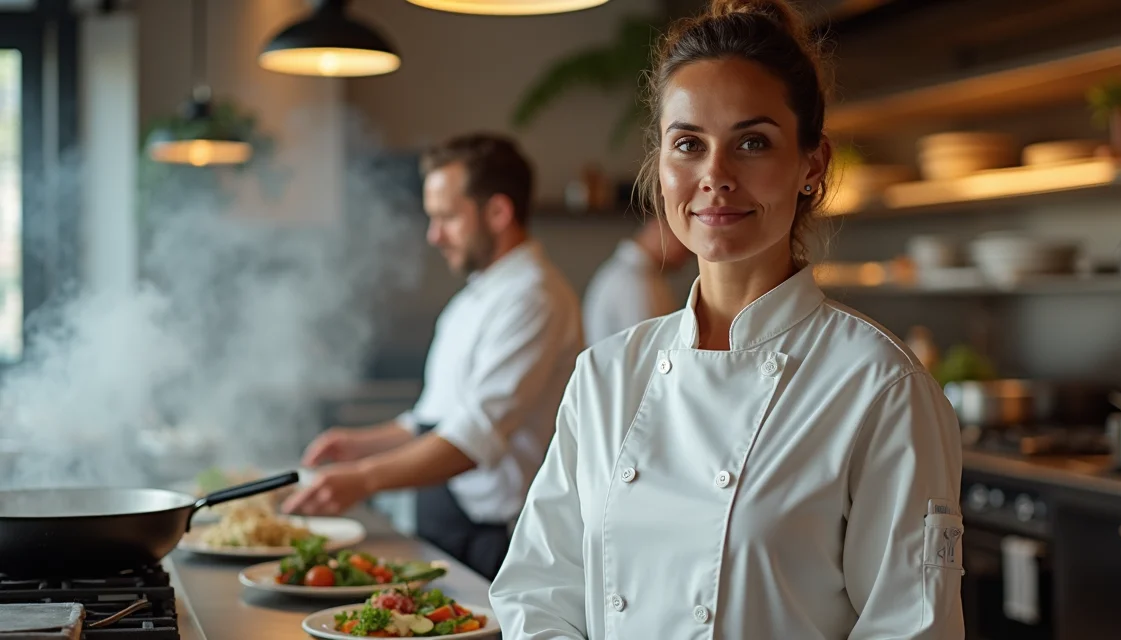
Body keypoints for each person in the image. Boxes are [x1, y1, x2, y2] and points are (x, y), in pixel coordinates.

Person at [488, 0, 964, 637]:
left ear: (812, 165)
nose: (714, 176)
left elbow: (911, 629)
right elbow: (538, 592)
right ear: (660, 165)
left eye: (752, 142)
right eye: (688, 144)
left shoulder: (879, 388)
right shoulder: (606, 376)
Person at [283, 133, 584, 580]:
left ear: (499, 212)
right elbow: (433, 418)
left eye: (446, 218)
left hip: (497, 539)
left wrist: (363, 478)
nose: (434, 235)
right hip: (448, 523)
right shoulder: (476, 297)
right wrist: (356, 444)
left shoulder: (534, 297)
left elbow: (475, 436)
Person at [581, 216, 692, 345]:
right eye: (683, 238)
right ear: (658, 227)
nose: (689, 250)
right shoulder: (632, 282)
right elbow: (649, 350)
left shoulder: (639, 276)